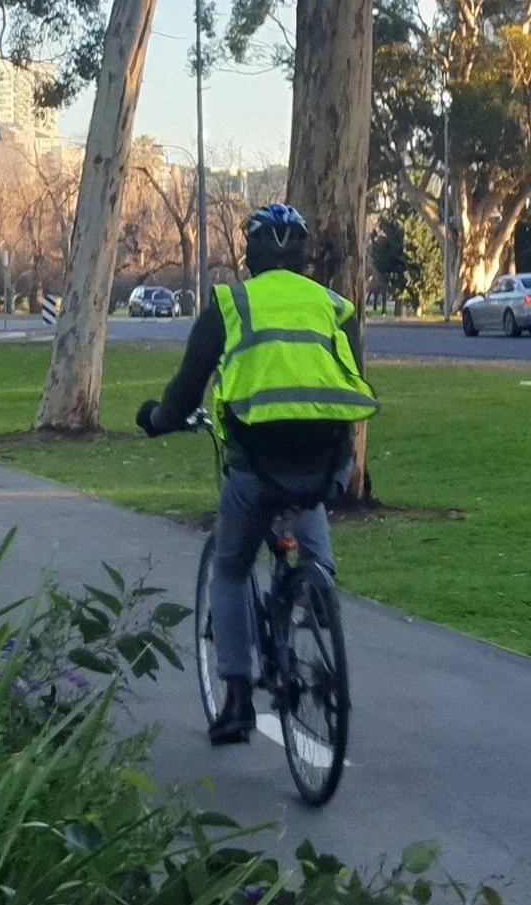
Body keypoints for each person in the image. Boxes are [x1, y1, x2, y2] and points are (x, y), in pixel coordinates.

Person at [135, 203, 377, 745]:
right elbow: (348, 381)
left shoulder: (230, 303)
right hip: (326, 464)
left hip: (257, 467)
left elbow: (184, 393)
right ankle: (316, 590)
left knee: (230, 567)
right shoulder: (336, 306)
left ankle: (239, 702)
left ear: (249, 257)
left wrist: (157, 420)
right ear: (305, 258)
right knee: (309, 519)